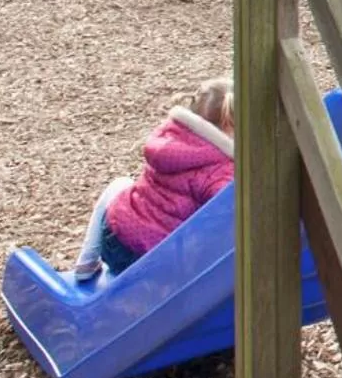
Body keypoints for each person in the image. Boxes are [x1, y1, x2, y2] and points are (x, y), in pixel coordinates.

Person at [69, 78, 236, 283]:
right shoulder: (221, 170)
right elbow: (229, 208)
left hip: (113, 238)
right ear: (229, 126)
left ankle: (86, 262)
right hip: (151, 262)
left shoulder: (170, 136)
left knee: (120, 185)